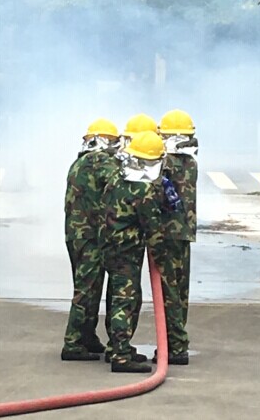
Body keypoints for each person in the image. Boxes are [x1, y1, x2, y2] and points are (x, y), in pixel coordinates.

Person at [100, 130, 166, 373]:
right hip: (126, 253)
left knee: (119, 297)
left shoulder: (117, 179)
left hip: (109, 248)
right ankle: (120, 356)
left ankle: (119, 347)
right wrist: (162, 257)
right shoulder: (143, 191)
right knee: (125, 302)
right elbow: (154, 229)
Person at [61, 118, 121, 361]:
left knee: (90, 286)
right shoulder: (100, 161)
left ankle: (87, 336)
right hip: (90, 237)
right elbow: (118, 184)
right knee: (87, 289)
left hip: (77, 235)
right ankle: (73, 342)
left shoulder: (80, 162)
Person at [154, 109, 198, 365]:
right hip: (183, 234)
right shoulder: (189, 160)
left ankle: (176, 346)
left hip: (168, 234)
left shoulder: (167, 163)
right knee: (180, 291)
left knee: (170, 291)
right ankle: (177, 343)